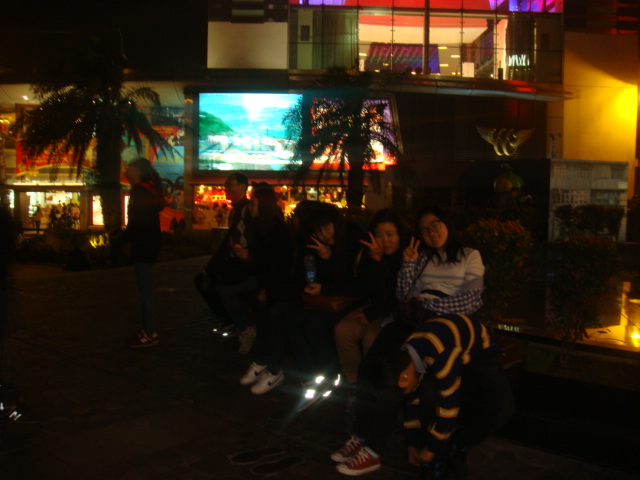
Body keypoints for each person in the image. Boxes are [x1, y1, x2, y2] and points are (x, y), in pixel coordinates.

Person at [332, 205, 486, 476]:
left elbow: (471, 301)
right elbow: (404, 295)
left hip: (437, 326)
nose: (431, 233)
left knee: (395, 377)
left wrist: (428, 304)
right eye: (424, 230)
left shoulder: (469, 255)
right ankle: (361, 434)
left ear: (447, 223)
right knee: (370, 368)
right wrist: (409, 265)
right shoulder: (422, 257)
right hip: (408, 319)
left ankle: (374, 450)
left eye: (435, 225)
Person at [397, 307, 515, 479]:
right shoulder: (404, 360)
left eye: (404, 388)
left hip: (478, 348)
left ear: (405, 377)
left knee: (505, 407)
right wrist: (411, 445)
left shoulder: (439, 356)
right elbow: (411, 403)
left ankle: (458, 443)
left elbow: (450, 406)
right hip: (445, 348)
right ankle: (431, 455)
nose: (404, 392)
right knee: (426, 397)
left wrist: (431, 447)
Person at [285, 202, 367, 409]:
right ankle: (312, 375)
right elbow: (310, 277)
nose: (324, 234)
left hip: (353, 299)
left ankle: (331, 376)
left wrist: (328, 262)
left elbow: (356, 283)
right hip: (330, 300)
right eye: (318, 230)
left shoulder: (355, 239)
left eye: (326, 227)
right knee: (291, 319)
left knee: (315, 325)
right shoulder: (317, 245)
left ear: (336, 223)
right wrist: (324, 259)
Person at [334, 209, 411, 392]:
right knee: (343, 330)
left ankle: (374, 388)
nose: (385, 240)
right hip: (376, 308)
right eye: (379, 235)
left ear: (400, 234)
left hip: (397, 313)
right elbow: (371, 291)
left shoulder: (409, 257)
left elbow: (400, 298)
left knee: (371, 338)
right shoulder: (371, 256)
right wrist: (376, 262)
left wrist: (372, 313)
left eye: (390, 234)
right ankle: (353, 383)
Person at [238, 183, 296, 393]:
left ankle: (275, 368)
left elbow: (281, 268)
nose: (250, 207)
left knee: (272, 315)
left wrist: (268, 290)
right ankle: (262, 361)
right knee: (262, 313)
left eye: (253, 203)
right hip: (271, 286)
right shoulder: (261, 228)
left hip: (284, 290)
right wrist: (248, 257)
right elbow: (263, 264)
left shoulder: (279, 232)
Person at [194, 173, 255, 334]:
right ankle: (232, 318)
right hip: (236, 260)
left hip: (242, 262)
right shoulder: (236, 210)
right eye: (226, 184)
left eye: (230, 184)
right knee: (206, 280)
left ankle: (237, 321)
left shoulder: (246, 210)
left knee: (211, 284)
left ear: (243, 187)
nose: (226, 188)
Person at [122, 158, 166, 348]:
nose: (126, 171)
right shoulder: (149, 190)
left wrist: (125, 240)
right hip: (150, 244)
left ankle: (150, 332)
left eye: (130, 168)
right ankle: (148, 329)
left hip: (143, 245)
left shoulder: (139, 192)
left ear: (138, 172)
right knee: (145, 289)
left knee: (145, 291)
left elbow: (136, 222)